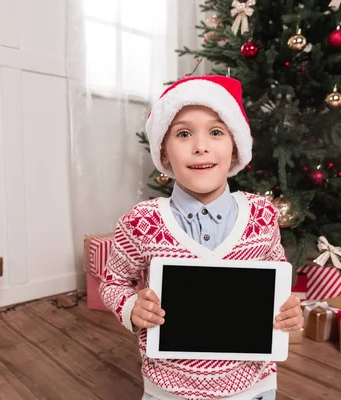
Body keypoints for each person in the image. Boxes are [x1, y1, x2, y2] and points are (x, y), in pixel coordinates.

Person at [100, 75, 304, 400]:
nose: (201, 146)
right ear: (164, 153)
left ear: (235, 145)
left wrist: (288, 309)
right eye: (183, 133)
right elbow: (113, 282)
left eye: (216, 132)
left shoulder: (262, 215)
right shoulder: (142, 221)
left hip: (252, 386)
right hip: (168, 388)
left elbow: (276, 277)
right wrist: (131, 308)